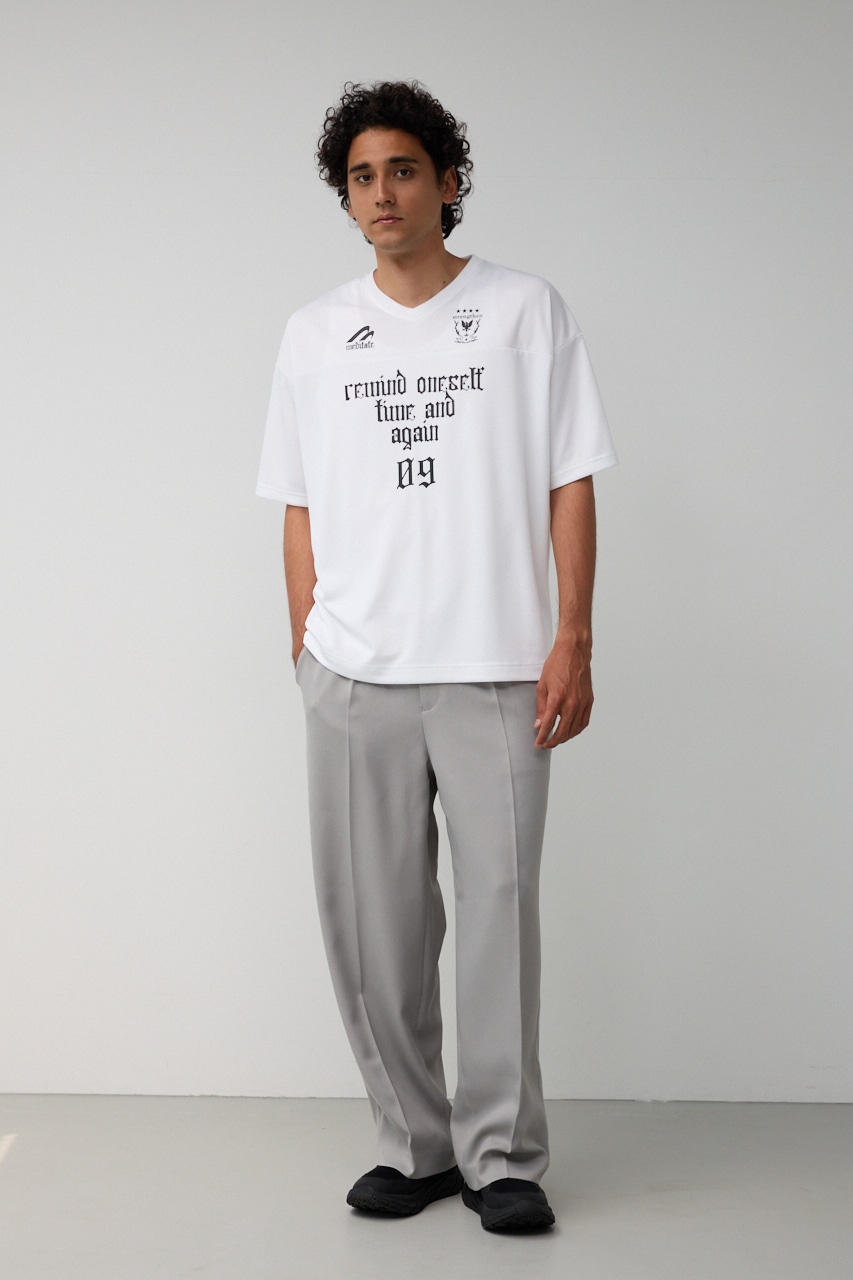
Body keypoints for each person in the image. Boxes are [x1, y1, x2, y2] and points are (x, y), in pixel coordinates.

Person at [256, 81, 617, 1233]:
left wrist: (571, 635)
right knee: (375, 925)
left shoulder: (522, 311)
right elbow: (297, 500)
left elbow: (569, 478)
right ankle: (412, 1143)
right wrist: (308, 645)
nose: (382, 194)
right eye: (361, 176)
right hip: (354, 673)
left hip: (495, 665)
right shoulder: (314, 334)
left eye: (403, 170)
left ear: (447, 180)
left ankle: (500, 1153)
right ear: (345, 196)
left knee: (500, 912)